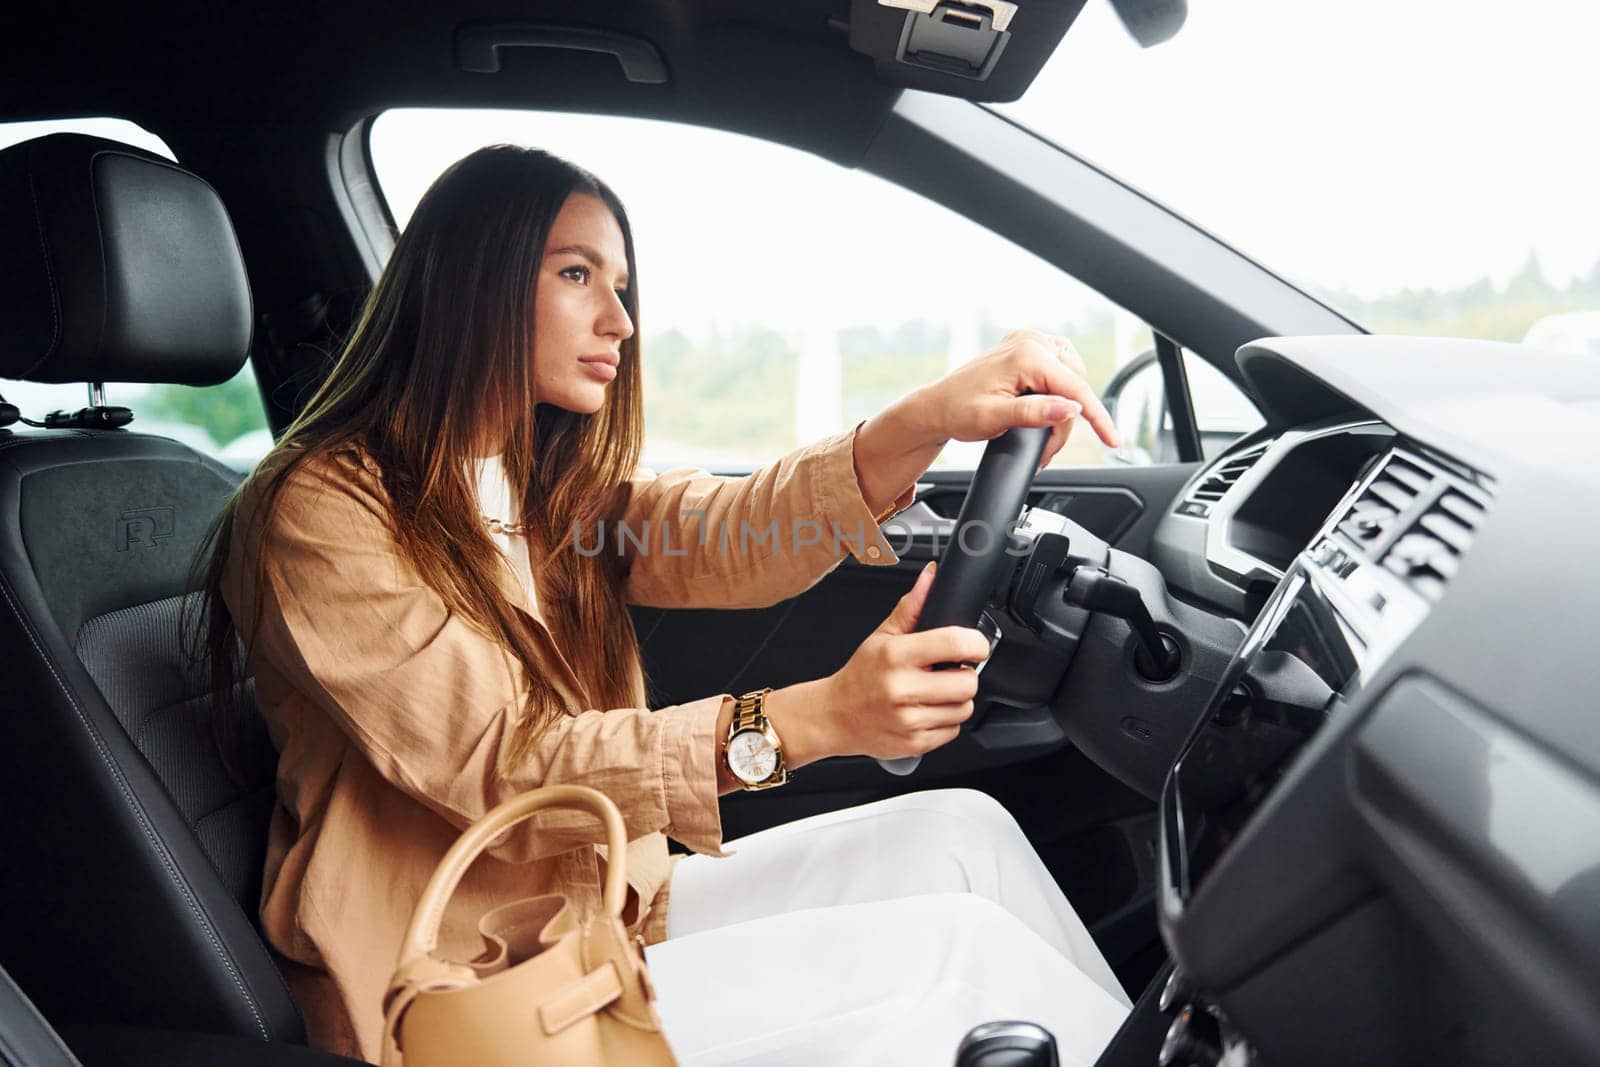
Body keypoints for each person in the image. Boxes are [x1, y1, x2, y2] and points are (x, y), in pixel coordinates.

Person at [200, 144, 1132, 1066]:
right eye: (577, 274)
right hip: (470, 990)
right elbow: (505, 767)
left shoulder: (537, 486)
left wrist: (927, 417)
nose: (620, 320)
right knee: (960, 957)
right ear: (470, 285)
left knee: (963, 833)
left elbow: (732, 533)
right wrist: (814, 718)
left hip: (607, 913)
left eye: (623, 287)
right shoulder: (321, 510)